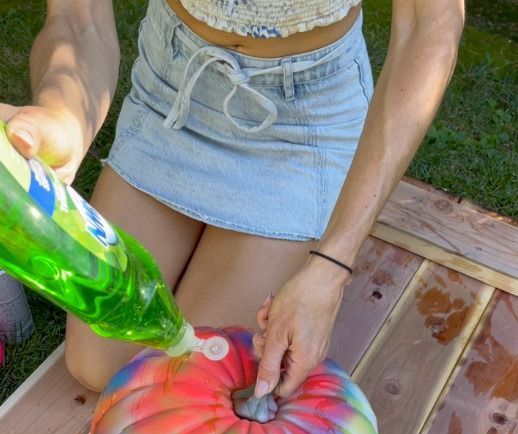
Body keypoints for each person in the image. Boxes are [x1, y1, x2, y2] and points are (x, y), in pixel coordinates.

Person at [0, 0, 464, 398]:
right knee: (97, 365)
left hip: (300, 124)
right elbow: (79, 20)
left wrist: (332, 267)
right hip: (171, 91)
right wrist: (62, 120)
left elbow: (431, 27)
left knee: (186, 381)